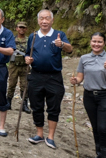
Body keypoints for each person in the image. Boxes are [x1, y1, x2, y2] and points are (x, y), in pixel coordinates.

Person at [25, 9, 73, 149]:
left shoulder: (59, 35)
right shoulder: (33, 36)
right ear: (38, 20)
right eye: (41, 18)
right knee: (36, 105)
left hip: (54, 77)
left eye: (47, 18)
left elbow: (70, 49)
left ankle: (50, 136)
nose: (44, 21)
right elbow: (28, 53)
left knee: (54, 106)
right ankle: (39, 134)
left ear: (52, 20)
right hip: (36, 75)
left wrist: (62, 44)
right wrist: (27, 59)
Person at [70, 33, 106, 158]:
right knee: (95, 126)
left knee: (103, 127)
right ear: (90, 42)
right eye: (94, 41)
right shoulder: (84, 58)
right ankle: (98, 154)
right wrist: (76, 81)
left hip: (105, 95)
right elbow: (80, 77)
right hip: (89, 96)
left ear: (104, 43)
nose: (96, 44)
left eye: (99, 42)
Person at [7, 21, 31, 113]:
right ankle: (8, 102)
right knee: (12, 84)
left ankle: (24, 104)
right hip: (14, 65)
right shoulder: (12, 39)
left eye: (23, 28)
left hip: (25, 66)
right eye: (20, 27)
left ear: (26, 29)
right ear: (16, 28)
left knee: (25, 86)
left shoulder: (29, 40)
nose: (21, 29)